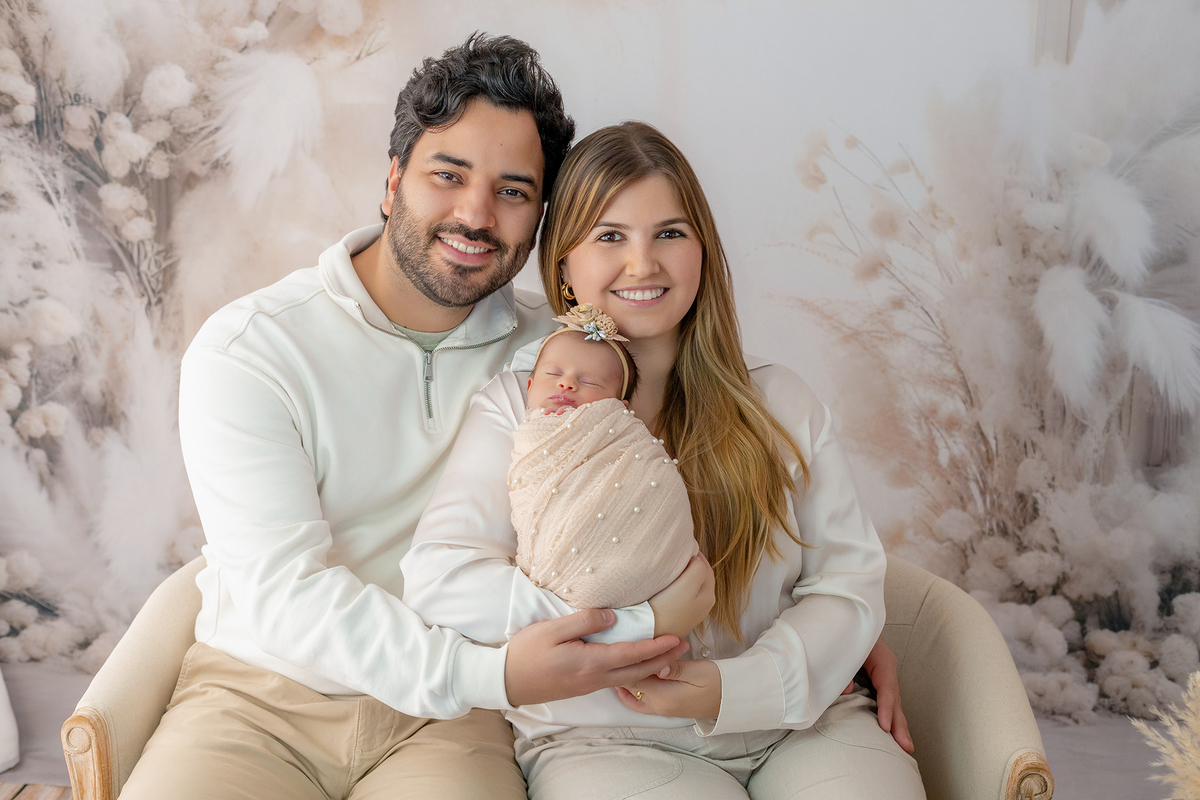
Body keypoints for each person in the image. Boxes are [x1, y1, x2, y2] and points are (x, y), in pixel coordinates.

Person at [118, 36, 694, 800]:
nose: (476, 214)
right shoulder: (251, 347)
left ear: (541, 221)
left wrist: (837, 620)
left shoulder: (558, 362)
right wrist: (489, 670)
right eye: (447, 175)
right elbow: (285, 592)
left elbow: (689, 449)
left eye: (514, 191)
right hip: (258, 696)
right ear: (393, 181)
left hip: (456, 721)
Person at [401, 122, 926, 798]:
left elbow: (846, 583)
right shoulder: (518, 409)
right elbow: (443, 578)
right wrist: (633, 628)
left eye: (670, 234)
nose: (643, 264)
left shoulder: (778, 402)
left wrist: (734, 689)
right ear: (563, 264)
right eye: (610, 236)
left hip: (801, 723)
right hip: (603, 735)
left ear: (703, 250)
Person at [512, 304, 701, 611]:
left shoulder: (622, 436)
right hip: (552, 598)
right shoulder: (525, 427)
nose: (567, 383)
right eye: (554, 374)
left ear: (619, 405)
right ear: (530, 386)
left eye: (589, 382)